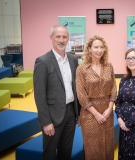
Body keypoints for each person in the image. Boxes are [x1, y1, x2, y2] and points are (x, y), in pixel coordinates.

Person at [33, 24, 81, 160]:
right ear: (51, 38)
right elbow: (39, 94)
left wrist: (79, 113)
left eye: (64, 37)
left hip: (71, 113)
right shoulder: (42, 62)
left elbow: (75, 88)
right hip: (52, 116)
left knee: (66, 152)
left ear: (68, 38)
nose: (61, 40)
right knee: (49, 154)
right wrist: (45, 122)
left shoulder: (73, 60)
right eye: (58, 37)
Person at [76, 35, 117, 160]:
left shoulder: (108, 66)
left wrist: (110, 108)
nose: (99, 50)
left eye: (101, 47)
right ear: (89, 49)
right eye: (96, 47)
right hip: (89, 113)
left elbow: (114, 88)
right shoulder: (82, 69)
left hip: (107, 111)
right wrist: (96, 114)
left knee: (108, 145)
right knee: (93, 148)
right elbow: (81, 94)